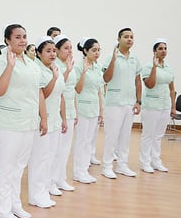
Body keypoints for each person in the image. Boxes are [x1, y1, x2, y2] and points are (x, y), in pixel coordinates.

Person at [0, 24, 46, 218]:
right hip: (8, 123)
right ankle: (2, 209)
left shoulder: (31, 63)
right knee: (6, 167)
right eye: (17, 37)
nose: (22, 40)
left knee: (19, 166)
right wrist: (9, 67)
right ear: (7, 40)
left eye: (24, 36)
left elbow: (37, 92)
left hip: (28, 122)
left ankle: (15, 204)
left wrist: (42, 117)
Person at [102, 28, 142, 179]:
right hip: (114, 102)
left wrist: (138, 101)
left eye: (132, 37)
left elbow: (138, 82)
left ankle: (122, 165)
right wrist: (113, 59)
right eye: (126, 37)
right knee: (111, 136)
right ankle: (106, 166)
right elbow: (106, 78)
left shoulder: (134, 59)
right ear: (118, 39)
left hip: (129, 103)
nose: (129, 39)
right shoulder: (110, 57)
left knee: (125, 136)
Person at [28, 36, 62, 208]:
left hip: (55, 119)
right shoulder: (38, 70)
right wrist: (54, 78)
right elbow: (44, 94)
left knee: (49, 157)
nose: (52, 54)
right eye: (48, 51)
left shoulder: (55, 68)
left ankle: (44, 191)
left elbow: (60, 95)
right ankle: (35, 195)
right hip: (43, 120)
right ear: (39, 53)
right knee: (39, 159)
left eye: (54, 51)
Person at [140, 38, 175, 173]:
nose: (163, 51)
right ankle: (145, 163)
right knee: (148, 135)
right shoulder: (148, 66)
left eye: (165, 48)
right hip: (151, 105)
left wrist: (172, 106)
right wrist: (154, 67)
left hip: (165, 105)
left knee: (158, 136)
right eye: (160, 48)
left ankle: (156, 161)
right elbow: (149, 84)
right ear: (154, 51)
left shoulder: (168, 68)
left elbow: (172, 89)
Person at [72, 38, 103, 184]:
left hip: (94, 109)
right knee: (81, 141)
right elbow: (77, 89)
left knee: (89, 142)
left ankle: (84, 170)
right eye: (94, 50)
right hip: (83, 108)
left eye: (98, 50)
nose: (97, 53)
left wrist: (101, 111)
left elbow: (99, 90)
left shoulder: (97, 67)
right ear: (85, 51)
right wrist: (84, 72)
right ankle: (78, 172)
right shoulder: (78, 67)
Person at [53, 34, 76, 191]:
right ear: (57, 50)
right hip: (59, 111)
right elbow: (60, 85)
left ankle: (61, 178)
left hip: (70, 110)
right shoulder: (55, 66)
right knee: (56, 149)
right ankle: (52, 181)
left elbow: (72, 90)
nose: (69, 51)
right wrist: (67, 70)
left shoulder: (69, 64)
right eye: (66, 48)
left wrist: (75, 112)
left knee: (65, 148)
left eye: (70, 48)